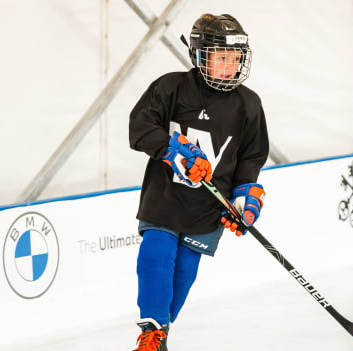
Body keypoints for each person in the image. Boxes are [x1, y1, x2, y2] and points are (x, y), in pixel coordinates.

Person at [128, 13, 269, 351]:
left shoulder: (249, 105)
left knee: (184, 274)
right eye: (222, 57)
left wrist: (245, 196)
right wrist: (174, 149)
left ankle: (160, 331)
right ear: (198, 55)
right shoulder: (171, 87)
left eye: (235, 58)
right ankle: (151, 332)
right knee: (155, 256)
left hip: (208, 207)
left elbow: (250, 158)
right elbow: (140, 128)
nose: (230, 65)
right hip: (165, 197)